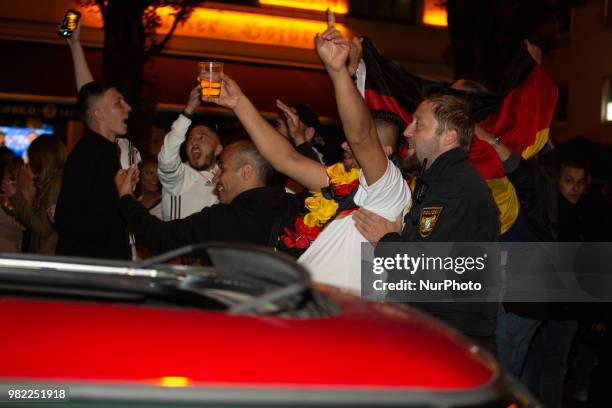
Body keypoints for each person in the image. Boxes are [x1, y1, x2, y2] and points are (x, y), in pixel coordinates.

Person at [211, 10, 410, 292]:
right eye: (346, 142)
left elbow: (362, 136)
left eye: (353, 144)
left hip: (349, 322)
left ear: (386, 151)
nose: (345, 144)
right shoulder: (347, 184)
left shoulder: (389, 189)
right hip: (308, 311)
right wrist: (239, 103)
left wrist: (338, 72)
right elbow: (285, 159)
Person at [353, 94, 500, 350]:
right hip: (439, 327)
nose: (408, 131)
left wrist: (386, 240)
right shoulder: (440, 181)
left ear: (449, 137)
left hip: (451, 335)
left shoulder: (455, 188)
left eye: (418, 124)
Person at [115, 141, 301, 257]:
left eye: (222, 169)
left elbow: (160, 237)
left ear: (246, 172)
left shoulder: (223, 219)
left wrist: (125, 196)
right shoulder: (293, 206)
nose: (216, 178)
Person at [158, 86, 222, 221]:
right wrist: (188, 112)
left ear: (218, 149)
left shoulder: (225, 178)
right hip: (180, 242)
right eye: (191, 138)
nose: (194, 142)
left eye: (202, 137)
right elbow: (167, 158)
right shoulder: (179, 177)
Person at [1, 135, 66, 255]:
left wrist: (16, 196)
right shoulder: (51, 182)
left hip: (46, 255)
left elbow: (43, 229)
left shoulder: (54, 185)